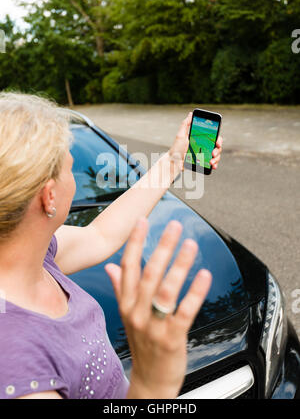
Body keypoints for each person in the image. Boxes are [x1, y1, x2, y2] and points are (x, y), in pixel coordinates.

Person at [0, 92, 222, 399]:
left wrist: (173, 162)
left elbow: (100, 235)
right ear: (49, 196)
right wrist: (152, 385)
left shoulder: (36, 256)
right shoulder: (17, 367)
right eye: (70, 169)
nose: (74, 177)